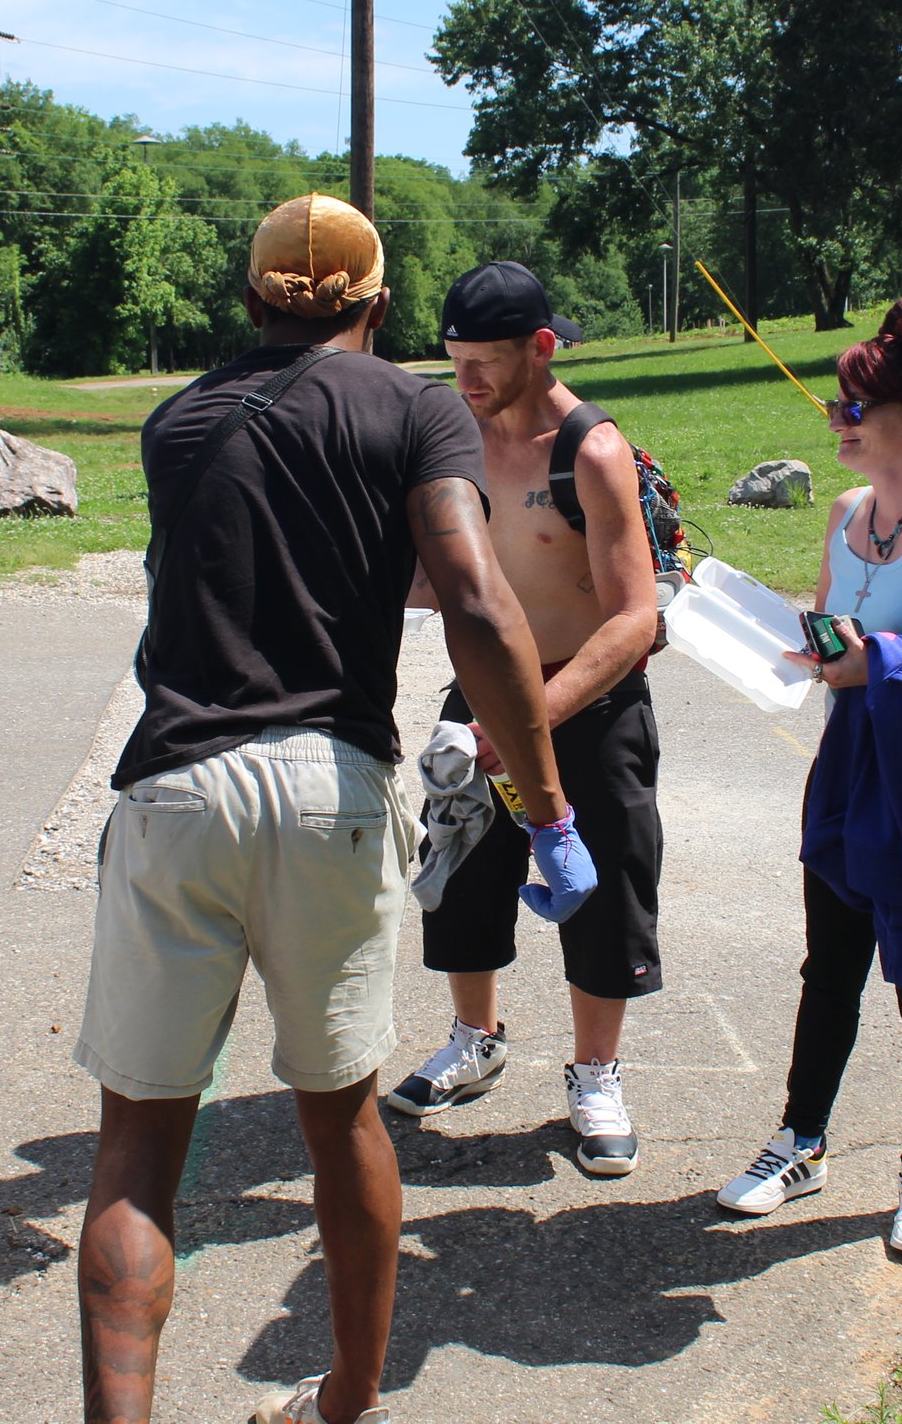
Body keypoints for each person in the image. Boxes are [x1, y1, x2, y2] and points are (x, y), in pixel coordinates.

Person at [74, 197, 594, 1424]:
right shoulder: (416, 409)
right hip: (332, 789)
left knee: (137, 1153)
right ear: (376, 304)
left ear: (250, 299)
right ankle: (344, 1401)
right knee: (341, 1114)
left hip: (176, 785)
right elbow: (472, 598)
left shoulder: (177, 422)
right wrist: (546, 804)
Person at [714, 290, 902, 1258]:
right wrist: (793, 647)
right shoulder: (846, 511)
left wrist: (884, 656)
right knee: (828, 971)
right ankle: (799, 1142)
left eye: (852, 409)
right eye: (835, 407)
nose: (835, 423)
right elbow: (828, 633)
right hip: (853, 779)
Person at [390, 261, 665, 1179]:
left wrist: (529, 723)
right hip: (484, 693)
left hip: (586, 696)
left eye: (484, 362)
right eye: (453, 360)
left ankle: (596, 1075)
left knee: (602, 894)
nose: (464, 381)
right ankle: (477, 1038)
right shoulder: (452, 438)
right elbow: (443, 574)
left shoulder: (589, 451)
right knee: (461, 872)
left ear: (541, 348)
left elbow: (636, 617)